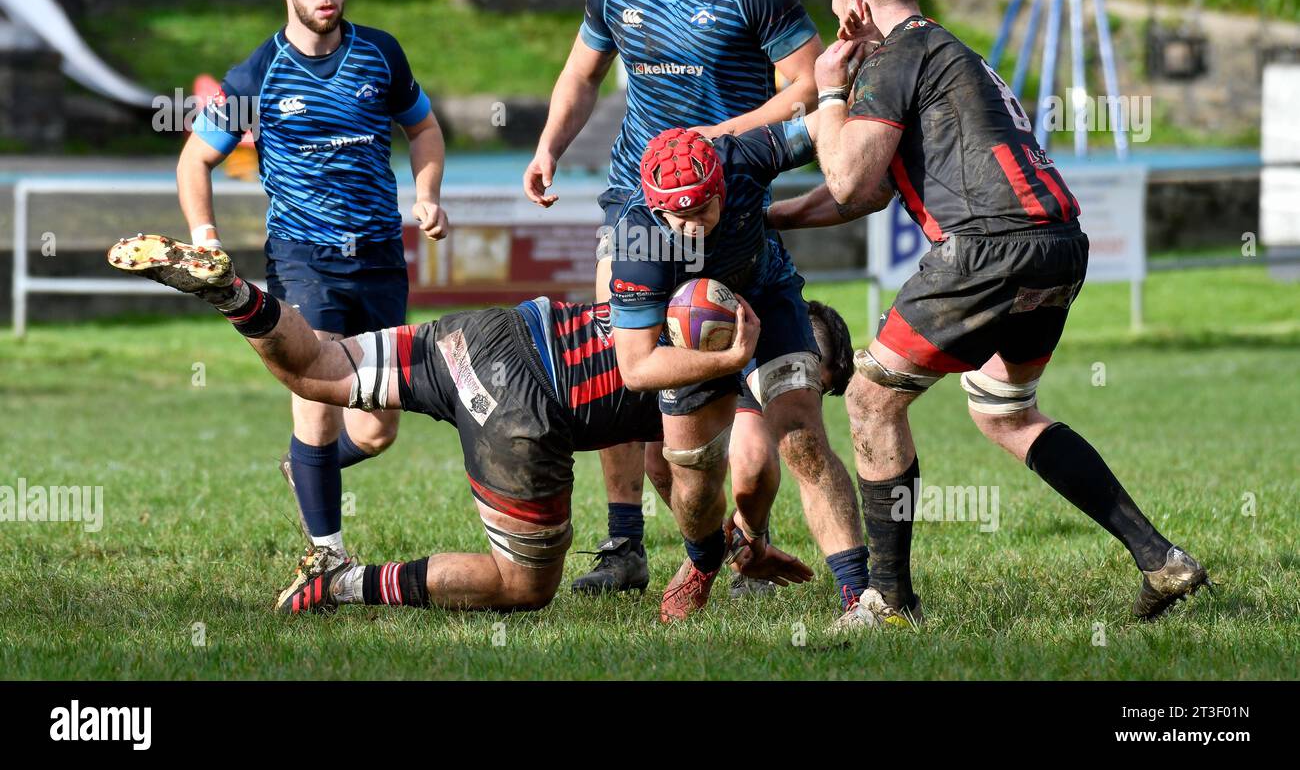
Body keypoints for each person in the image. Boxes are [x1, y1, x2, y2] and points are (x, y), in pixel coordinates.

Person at [106, 235, 838, 613]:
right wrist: (719, 552)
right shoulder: (728, 367)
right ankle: (343, 583)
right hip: (525, 412)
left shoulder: (693, 290)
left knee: (319, 369)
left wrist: (730, 540)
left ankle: (235, 295)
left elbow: (655, 456)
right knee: (524, 588)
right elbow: (709, 474)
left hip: (491, 333)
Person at [804, 0, 1209, 626]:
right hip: (1056, 243)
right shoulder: (956, 55)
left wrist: (824, 89)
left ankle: (889, 603)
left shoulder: (892, 58)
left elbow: (847, 177)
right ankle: (1161, 561)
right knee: (1003, 410)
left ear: (856, 7)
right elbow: (866, 191)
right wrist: (772, 213)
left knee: (871, 401)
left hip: (987, 248)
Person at [523, 0, 823, 597]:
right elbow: (580, 73)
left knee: (739, 393)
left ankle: (748, 540)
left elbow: (806, 90)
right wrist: (550, 146)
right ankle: (626, 544)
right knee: (620, 370)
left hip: (730, 202)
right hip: (634, 201)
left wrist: (715, 141)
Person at [177, 0, 451, 596]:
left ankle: (306, 468)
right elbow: (195, 159)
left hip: (382, 257)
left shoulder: (382, 54)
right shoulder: (257, 72)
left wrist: (427, 192)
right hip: (304, 259)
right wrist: (205, 234)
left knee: (380, 427)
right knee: (316, 400)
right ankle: (326, 557)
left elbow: (423, 128)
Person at [608, 126, 868, 625]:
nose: (689, 226)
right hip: (686, 340)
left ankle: (859, 595)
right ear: (654, 205)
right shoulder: (636, 240)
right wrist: (731, 360)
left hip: (768, 300)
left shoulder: (745, 158)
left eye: (700, 211)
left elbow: (822, 127)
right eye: (676, 217)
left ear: (721, 187)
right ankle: (705, 562)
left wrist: (838, 88)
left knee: (802, 439)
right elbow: (637, 368)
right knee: (692, 475)